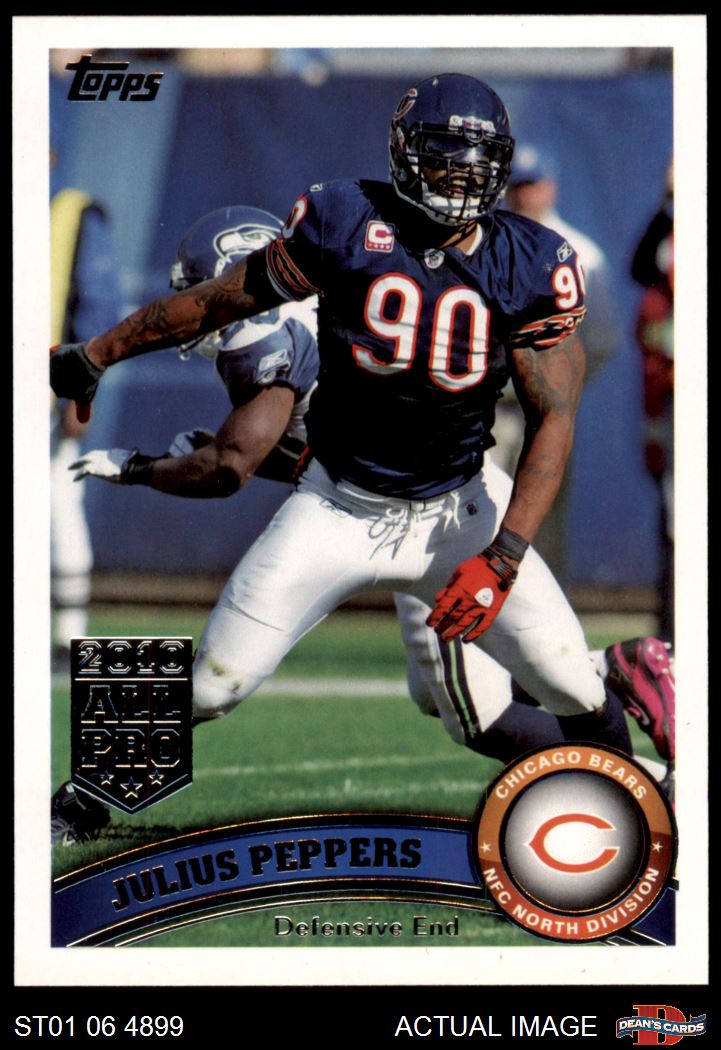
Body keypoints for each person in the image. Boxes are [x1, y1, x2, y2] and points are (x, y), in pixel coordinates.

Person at [51, 73, 663, 795]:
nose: (461, 174)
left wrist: (500, 560)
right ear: (404, 151)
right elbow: (219, 300)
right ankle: (76, 803)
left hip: (459, 510)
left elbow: (553, 418)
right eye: (443, 154)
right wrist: (95, 354)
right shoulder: (344, 217)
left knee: (571, 686)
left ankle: (631, 816)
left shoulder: (532, 260)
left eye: (477, 159)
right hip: (336, 504)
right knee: (212, 683)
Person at [494, 144, 619, 585]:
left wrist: (561, 390)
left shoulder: (582, 254)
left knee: (543, 525)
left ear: (551, 188)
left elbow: (601, 342)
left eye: (532, 185)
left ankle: (542, 615)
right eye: (517, 186)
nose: (524, 195)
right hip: (489, 410)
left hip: (547, 412)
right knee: (482, 516)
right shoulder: (483, 245)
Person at [50, 174, 123, 664]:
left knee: (60, 496)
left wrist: (80, 392)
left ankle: (69, 633)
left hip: (42, 392)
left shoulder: (71, 212)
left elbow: (96, 307)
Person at [630, 165, 674, 640]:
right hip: (671, 399)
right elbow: (641, 266)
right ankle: (673, 629)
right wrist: (668, 203)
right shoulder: (670, 238)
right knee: (673, 519)